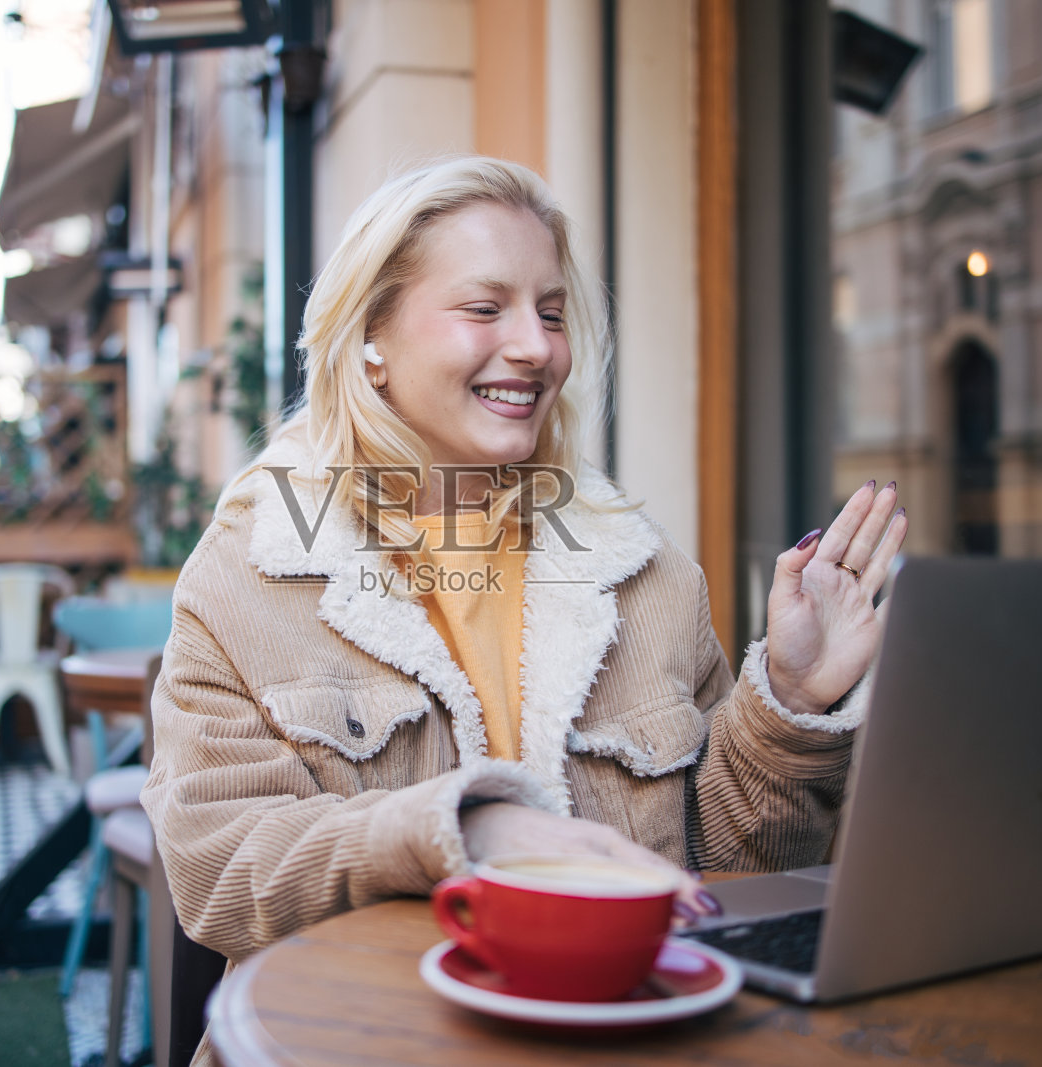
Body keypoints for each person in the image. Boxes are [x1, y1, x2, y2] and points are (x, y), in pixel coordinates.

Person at [140, 156, 905, 1061]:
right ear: (371, 336)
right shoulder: (249, 570)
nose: (538, 346)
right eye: (484, 307)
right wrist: (472, 830)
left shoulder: (646, 572)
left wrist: (792, 698)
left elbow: (719, 864)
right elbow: (221, 869)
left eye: (550, 312)